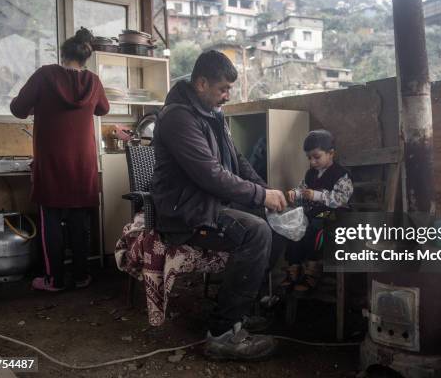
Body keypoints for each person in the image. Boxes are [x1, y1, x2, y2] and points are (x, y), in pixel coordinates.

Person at [152, 50, 287, 360]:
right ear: (201, 83)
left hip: (209, 203)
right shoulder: (177, 118)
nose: (227, 96)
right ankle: (223, 334)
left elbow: (236, 161)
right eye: (222, 89)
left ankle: (240, 310)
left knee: (274, 222)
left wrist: (267, 193)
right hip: (185, 213)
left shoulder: (212, 113)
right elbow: (209, 174)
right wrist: (258, 196)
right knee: (256, 232)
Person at [10, 27, 109, 292]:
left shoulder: (45, 75)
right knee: (79, 220)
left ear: (62, 54)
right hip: (82, 163)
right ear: (85, 57)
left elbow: (17, 109)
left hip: (52, 161)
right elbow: (103, 108)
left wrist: (38, 105)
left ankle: (54, 280)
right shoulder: (94, 81)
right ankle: (80, 276)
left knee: (51, 219)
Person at [281, 130, 354, 293]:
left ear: (331, 153)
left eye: (317, 157)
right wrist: (296, 193)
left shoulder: (341, 174)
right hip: (315, 214)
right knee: (295, 228)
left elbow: (342, 198)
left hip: (336, 216)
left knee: (316, 226)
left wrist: (318, 195)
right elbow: (303, 189)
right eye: (309, 158)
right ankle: (295, 267)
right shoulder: (310, 174)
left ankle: (313, 269)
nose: (312, 162)